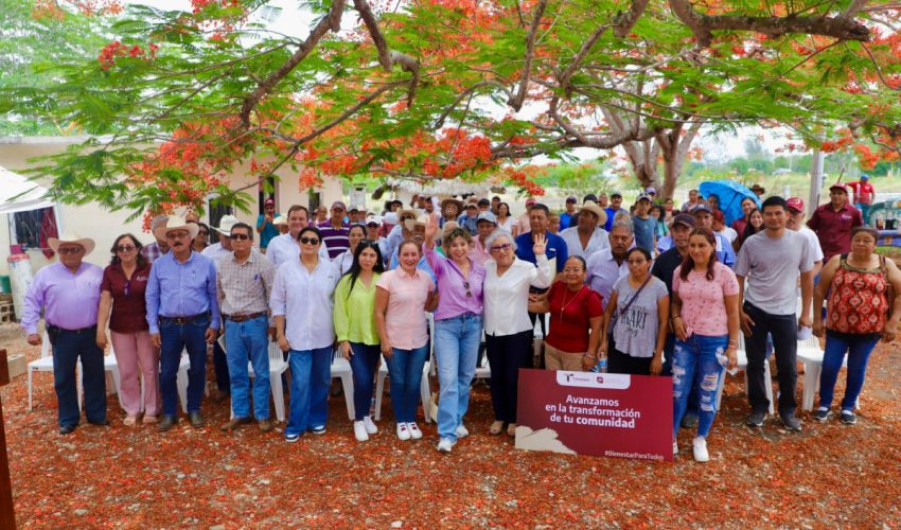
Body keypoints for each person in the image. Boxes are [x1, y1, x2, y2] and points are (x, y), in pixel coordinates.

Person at [735, 196, 814, 431]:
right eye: (768, 213)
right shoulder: (751, 243)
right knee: (755, 363)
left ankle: (787, 410)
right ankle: (759, 407)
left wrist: (806, 312)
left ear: (787, 214)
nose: (773, 217)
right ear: (762, 215)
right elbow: (738, 277)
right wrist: (738, 311)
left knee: (788, 365)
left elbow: (808, 277)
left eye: (778, 213)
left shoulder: (800, 241)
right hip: (754, 309)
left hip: (786, 311)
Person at [812, 226, 901, 425]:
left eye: (867, 240)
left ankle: (847, 406)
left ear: (875, 244)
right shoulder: (838, 261)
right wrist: (818, 319)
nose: (861, 243)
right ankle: (824, 404)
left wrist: (893, 322)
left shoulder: (886, 265)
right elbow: (819, 291)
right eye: (857, 240)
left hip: (869, 331)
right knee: (830, 366)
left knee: (856, 368)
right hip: (837, 328)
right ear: (851, 242)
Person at [22, 232, 107, 434]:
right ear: (58, 252)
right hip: (62, 335)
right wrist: (31, 329)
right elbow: (31, 301)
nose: (68, 253)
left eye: (73, 249)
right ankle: (68, 419)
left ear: (83, 252)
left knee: (95, 375)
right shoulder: (45, 274)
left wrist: (103, 330)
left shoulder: (97, 272)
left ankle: (97, 416)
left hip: (91, 333)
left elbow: (107, 301)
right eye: (64, 249)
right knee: (63, 378)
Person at [670, 228, 740, 462]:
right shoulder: (680, 272)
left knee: (707, 393)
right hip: (685, 341)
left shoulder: (725, 274)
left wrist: (732, 346)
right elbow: (675, 303)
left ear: (713, 247)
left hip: (714, 342)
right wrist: (676, 318)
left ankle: (700, 437)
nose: (696, 250)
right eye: (693, 245)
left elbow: (733, 313)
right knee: (678, 391)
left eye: (702, 245)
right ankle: (671, 436)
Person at [145, 217, 220, 432]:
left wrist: (215, 322)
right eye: (172, 235)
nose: (176, 239)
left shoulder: (206, 264)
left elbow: (213, 294)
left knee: (198, 368)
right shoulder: (159, 265)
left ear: (190, 238)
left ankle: (194, 408)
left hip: (198, 324)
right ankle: (170, 413)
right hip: (168, 326)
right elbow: (151, 297)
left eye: (181, 235)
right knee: (167, 371)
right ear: (167, 240)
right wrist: (153, 327)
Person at [423, 215, 486, 453]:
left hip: (472, 325)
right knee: (448, 379)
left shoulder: (480, 270)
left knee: (464, 377)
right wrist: (430, 235)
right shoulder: (441, 264)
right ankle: (446, 433)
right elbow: (428, 251)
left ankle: (458, 419)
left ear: (469, 245)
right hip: (447, 326)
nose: (459, 248)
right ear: (447, 248)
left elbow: (483, 298)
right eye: (454, 245)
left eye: (463, 244)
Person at [271, 226, 340, 442]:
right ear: (299, 243)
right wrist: (280, 334)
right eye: (304, 240)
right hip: (297, 336)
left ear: (320, 244)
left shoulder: (331, 269)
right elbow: (277, 302)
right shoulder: (285, 269)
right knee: (300, 382)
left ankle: (316, 419)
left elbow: (337, 303)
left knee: (321, 379)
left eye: (313, 240)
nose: (309, 244)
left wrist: (339, 333)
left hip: (324, 335)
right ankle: (296, 424)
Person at [483, 230, 550, 437]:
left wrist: (540, 255)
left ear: (513, 248)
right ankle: (500, 415)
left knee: (513, 377)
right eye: (497, 248)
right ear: (491, 252)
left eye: (506, 246)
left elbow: (544, 282)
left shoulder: (525, 267)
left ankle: (514, 418)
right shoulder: (487, 267)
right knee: (497, 376)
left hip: (517, 331)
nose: (502, 251)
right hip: (492, 330)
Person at [374, 240, 437, 441]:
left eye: (414, 254)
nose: (410, 258)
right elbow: (378, 312)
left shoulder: (425, 278)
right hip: (395, 341)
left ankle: (411, 419)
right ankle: (401, 420)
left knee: (413, 382)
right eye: (405, 254)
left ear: (419, 256)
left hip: (419, 340)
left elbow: (428, 307)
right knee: (399, 381)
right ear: (398, 256)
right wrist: (384, 340)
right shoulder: (387, 278)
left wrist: (444, 288)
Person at [216, 222, 276, 433]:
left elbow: (272, 294)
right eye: (234, 237)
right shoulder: (223, 263)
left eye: (243, 236)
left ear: (251, 240)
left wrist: (271, 325)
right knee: (236, 371)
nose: (238, 240)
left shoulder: (263, 263)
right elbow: (219, 294)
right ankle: (241, 413)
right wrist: (222, 322)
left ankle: (262, 414)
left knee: (261, 370)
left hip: (256, 322)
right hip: (232, 324)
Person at [96, 234, 157, 426]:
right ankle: (132, 409)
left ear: (138, 249)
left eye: (129, 247)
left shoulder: (149, 269)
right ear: (116, 252)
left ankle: (152, 409)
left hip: (146, 327)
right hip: (120, 328)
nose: (125, 251)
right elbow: (105, 300)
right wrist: (100, 329)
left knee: (149, 369)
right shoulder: (110, 271)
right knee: (127, 370)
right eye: (120, 248)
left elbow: (156, 297)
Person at [334, 239, 385, 442]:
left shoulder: (382, 279)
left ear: (377, 258)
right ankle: (358, 420)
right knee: (362, 380)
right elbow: (340, 312)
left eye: (372, 255)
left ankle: (365, 416)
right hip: (354, 338)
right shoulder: (347, 281)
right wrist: (343, 340)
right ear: (357, 256)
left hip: (375, 338)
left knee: (370, 379)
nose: (367, 259)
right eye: (364, 254)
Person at [600, 248, 669, 375]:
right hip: (618, 345)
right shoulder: (621, 282)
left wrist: (658, 355)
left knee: (639, 391)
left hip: (645, 349)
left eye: (639, 261)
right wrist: (604, 340)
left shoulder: (659, 288)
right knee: (617, 387)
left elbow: (663, 323)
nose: (634, 265)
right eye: (630, 261)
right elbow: (608, 312)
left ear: (649, 262)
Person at [529, 256, 603, 371]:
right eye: (567, 269)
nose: (571, 273)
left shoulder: (591, 297)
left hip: (576, 353)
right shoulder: (557, 288)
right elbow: (544, 306)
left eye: (576, 269)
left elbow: (596, 329)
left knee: (574, 388)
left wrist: (590, 354)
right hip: (552, 349)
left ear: (584, 274)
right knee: (553, 386)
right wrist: (519, 305)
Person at [204, 214, 240, 403]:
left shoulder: (246, 251)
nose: (230, 240)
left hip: (240, 308)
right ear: (219, 235)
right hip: (217, 308)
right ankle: (224, 386)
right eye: (226, 236)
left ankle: (241, 386)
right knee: (220, 348)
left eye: (232, 236)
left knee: (240, 349)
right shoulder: (208, 254)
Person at [807, 183, 864, 263]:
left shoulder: (854, 212)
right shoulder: (820, 210)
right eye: (834, 193)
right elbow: (811, 229)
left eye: (840, 193)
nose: (836, 196)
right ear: (830, 195)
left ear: (846, 196)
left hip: (843, 254)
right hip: (821, 253)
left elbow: (859, 231)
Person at [586, 218, 634, 303]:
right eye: (615, 237)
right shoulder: (596, 259)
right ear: (609, 238)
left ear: (632, 240)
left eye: (624, 238)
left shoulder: (638, 262)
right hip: (599, 314)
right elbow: (582, 283)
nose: (619, 242)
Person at [515, 203, 568, 273]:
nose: (535, 221)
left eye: (539, 218)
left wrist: (548, 283)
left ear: (548, 220)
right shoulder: (518, 241)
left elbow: (562, 271)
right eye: (532, 218)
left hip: (550, 283)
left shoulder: (559, 242)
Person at [786, 198, 824, 278]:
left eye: (795, 213)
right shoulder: (774, 233)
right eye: (788, 212)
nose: (791, 216)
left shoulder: (809, 235)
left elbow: (818, 262)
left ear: (803, 216)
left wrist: (806, 278)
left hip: (801, 285)